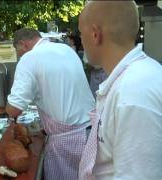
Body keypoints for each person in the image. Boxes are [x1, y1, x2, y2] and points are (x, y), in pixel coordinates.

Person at [78, 1, 162, 180]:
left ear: (95, 34)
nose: (81, 40)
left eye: (80, 33)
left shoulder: (131, 94)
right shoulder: (133, 78)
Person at [6, 28, 94, 180]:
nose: (19, 55)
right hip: (91, 131)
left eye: (18, 51)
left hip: (69, 142)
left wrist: (8, 106)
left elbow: (13, 110)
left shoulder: (29, 58)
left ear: (23, 44)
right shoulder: (65, 49)